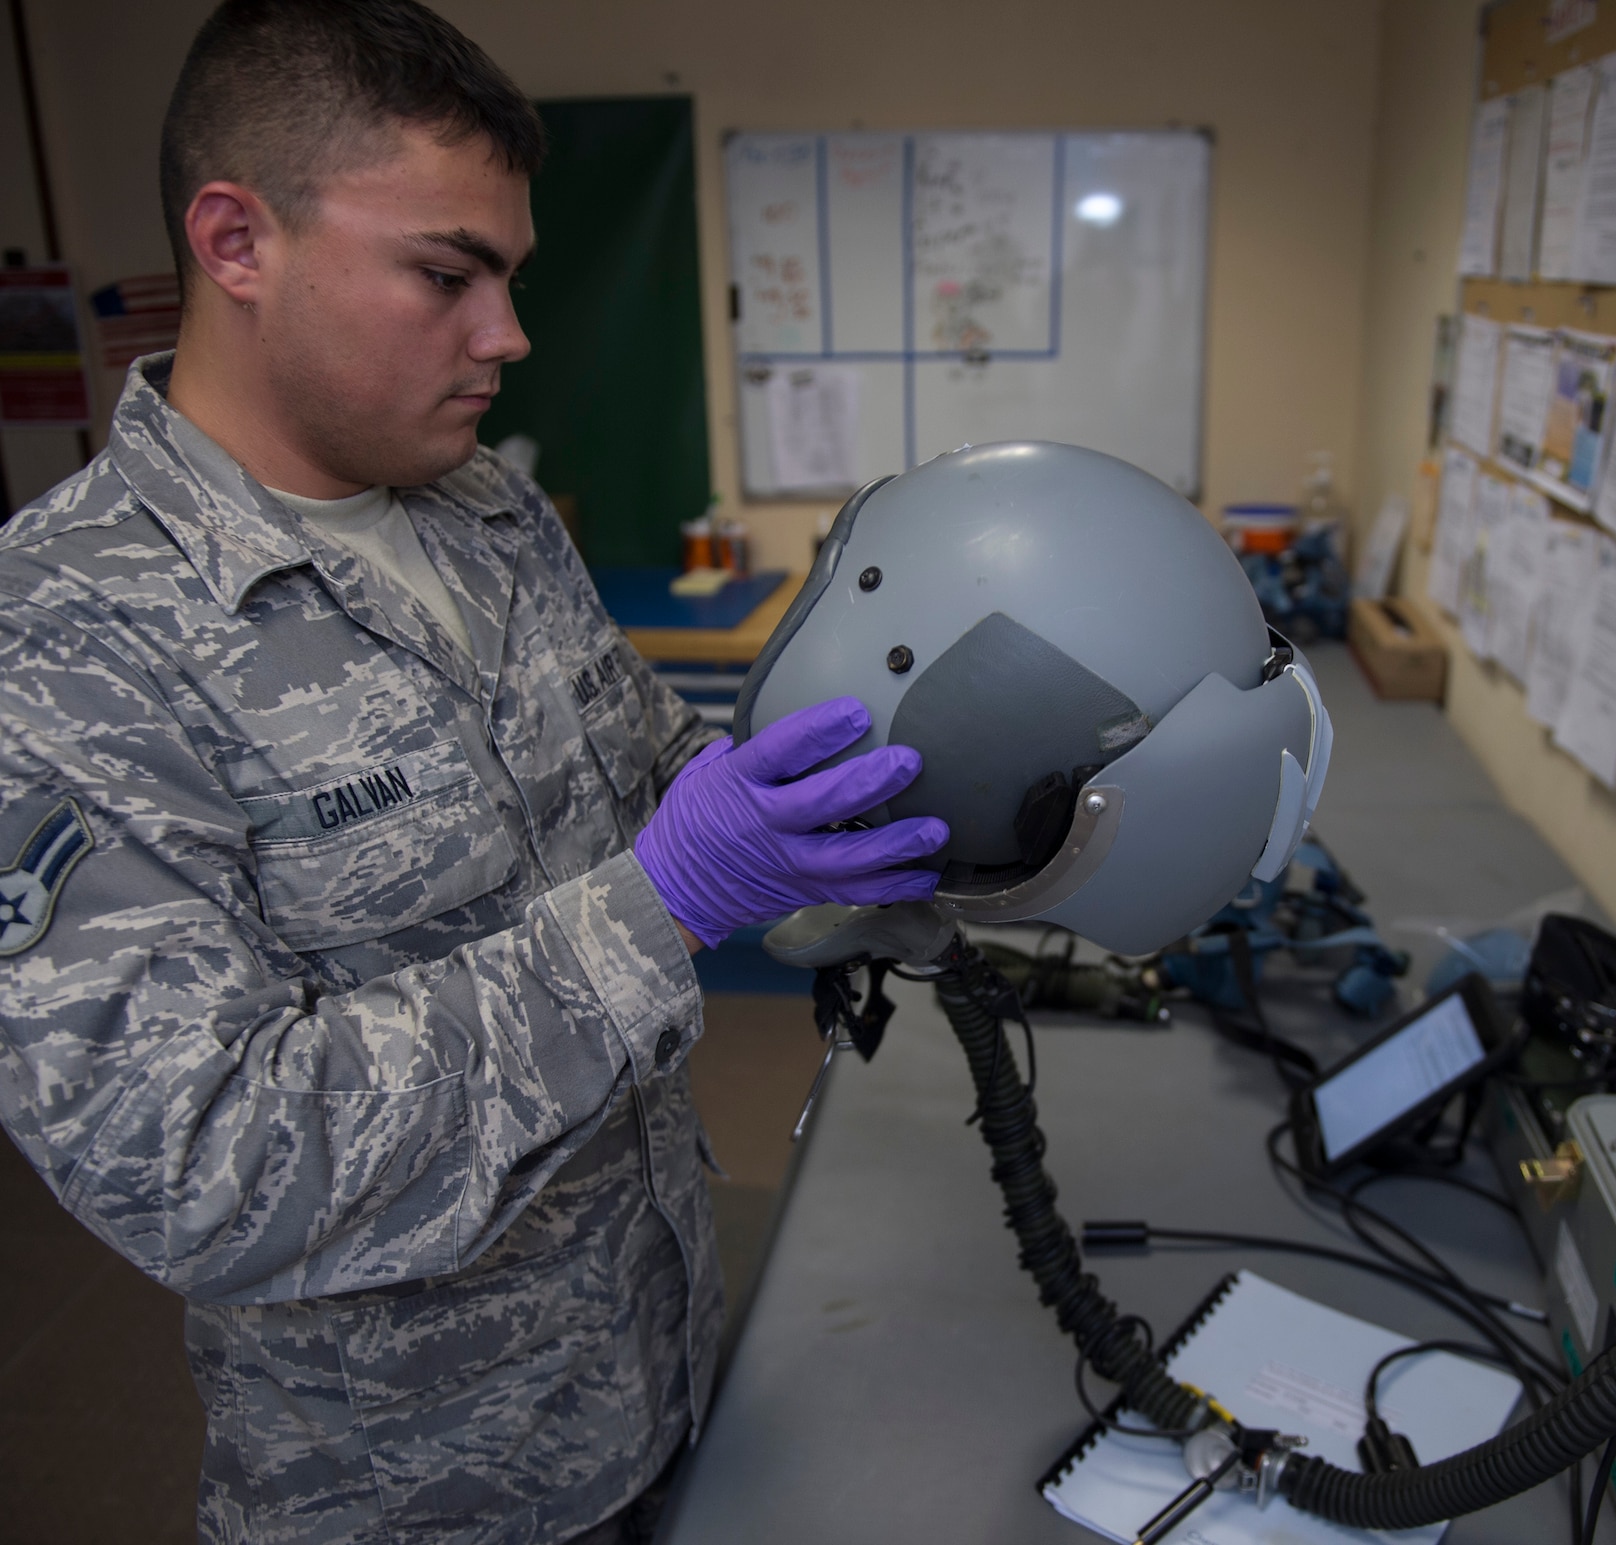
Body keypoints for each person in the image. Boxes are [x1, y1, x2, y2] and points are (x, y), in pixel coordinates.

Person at [0, 2, 948, 1541]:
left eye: (506, 276)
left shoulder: (489, 515)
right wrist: (664, 903)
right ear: (238, 242)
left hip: (665, 1366)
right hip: (417, 1491)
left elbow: (652, 786)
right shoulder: (57, 639)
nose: (507, 334)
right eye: (447, 275)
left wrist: (844, 842)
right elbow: (203, 1165)